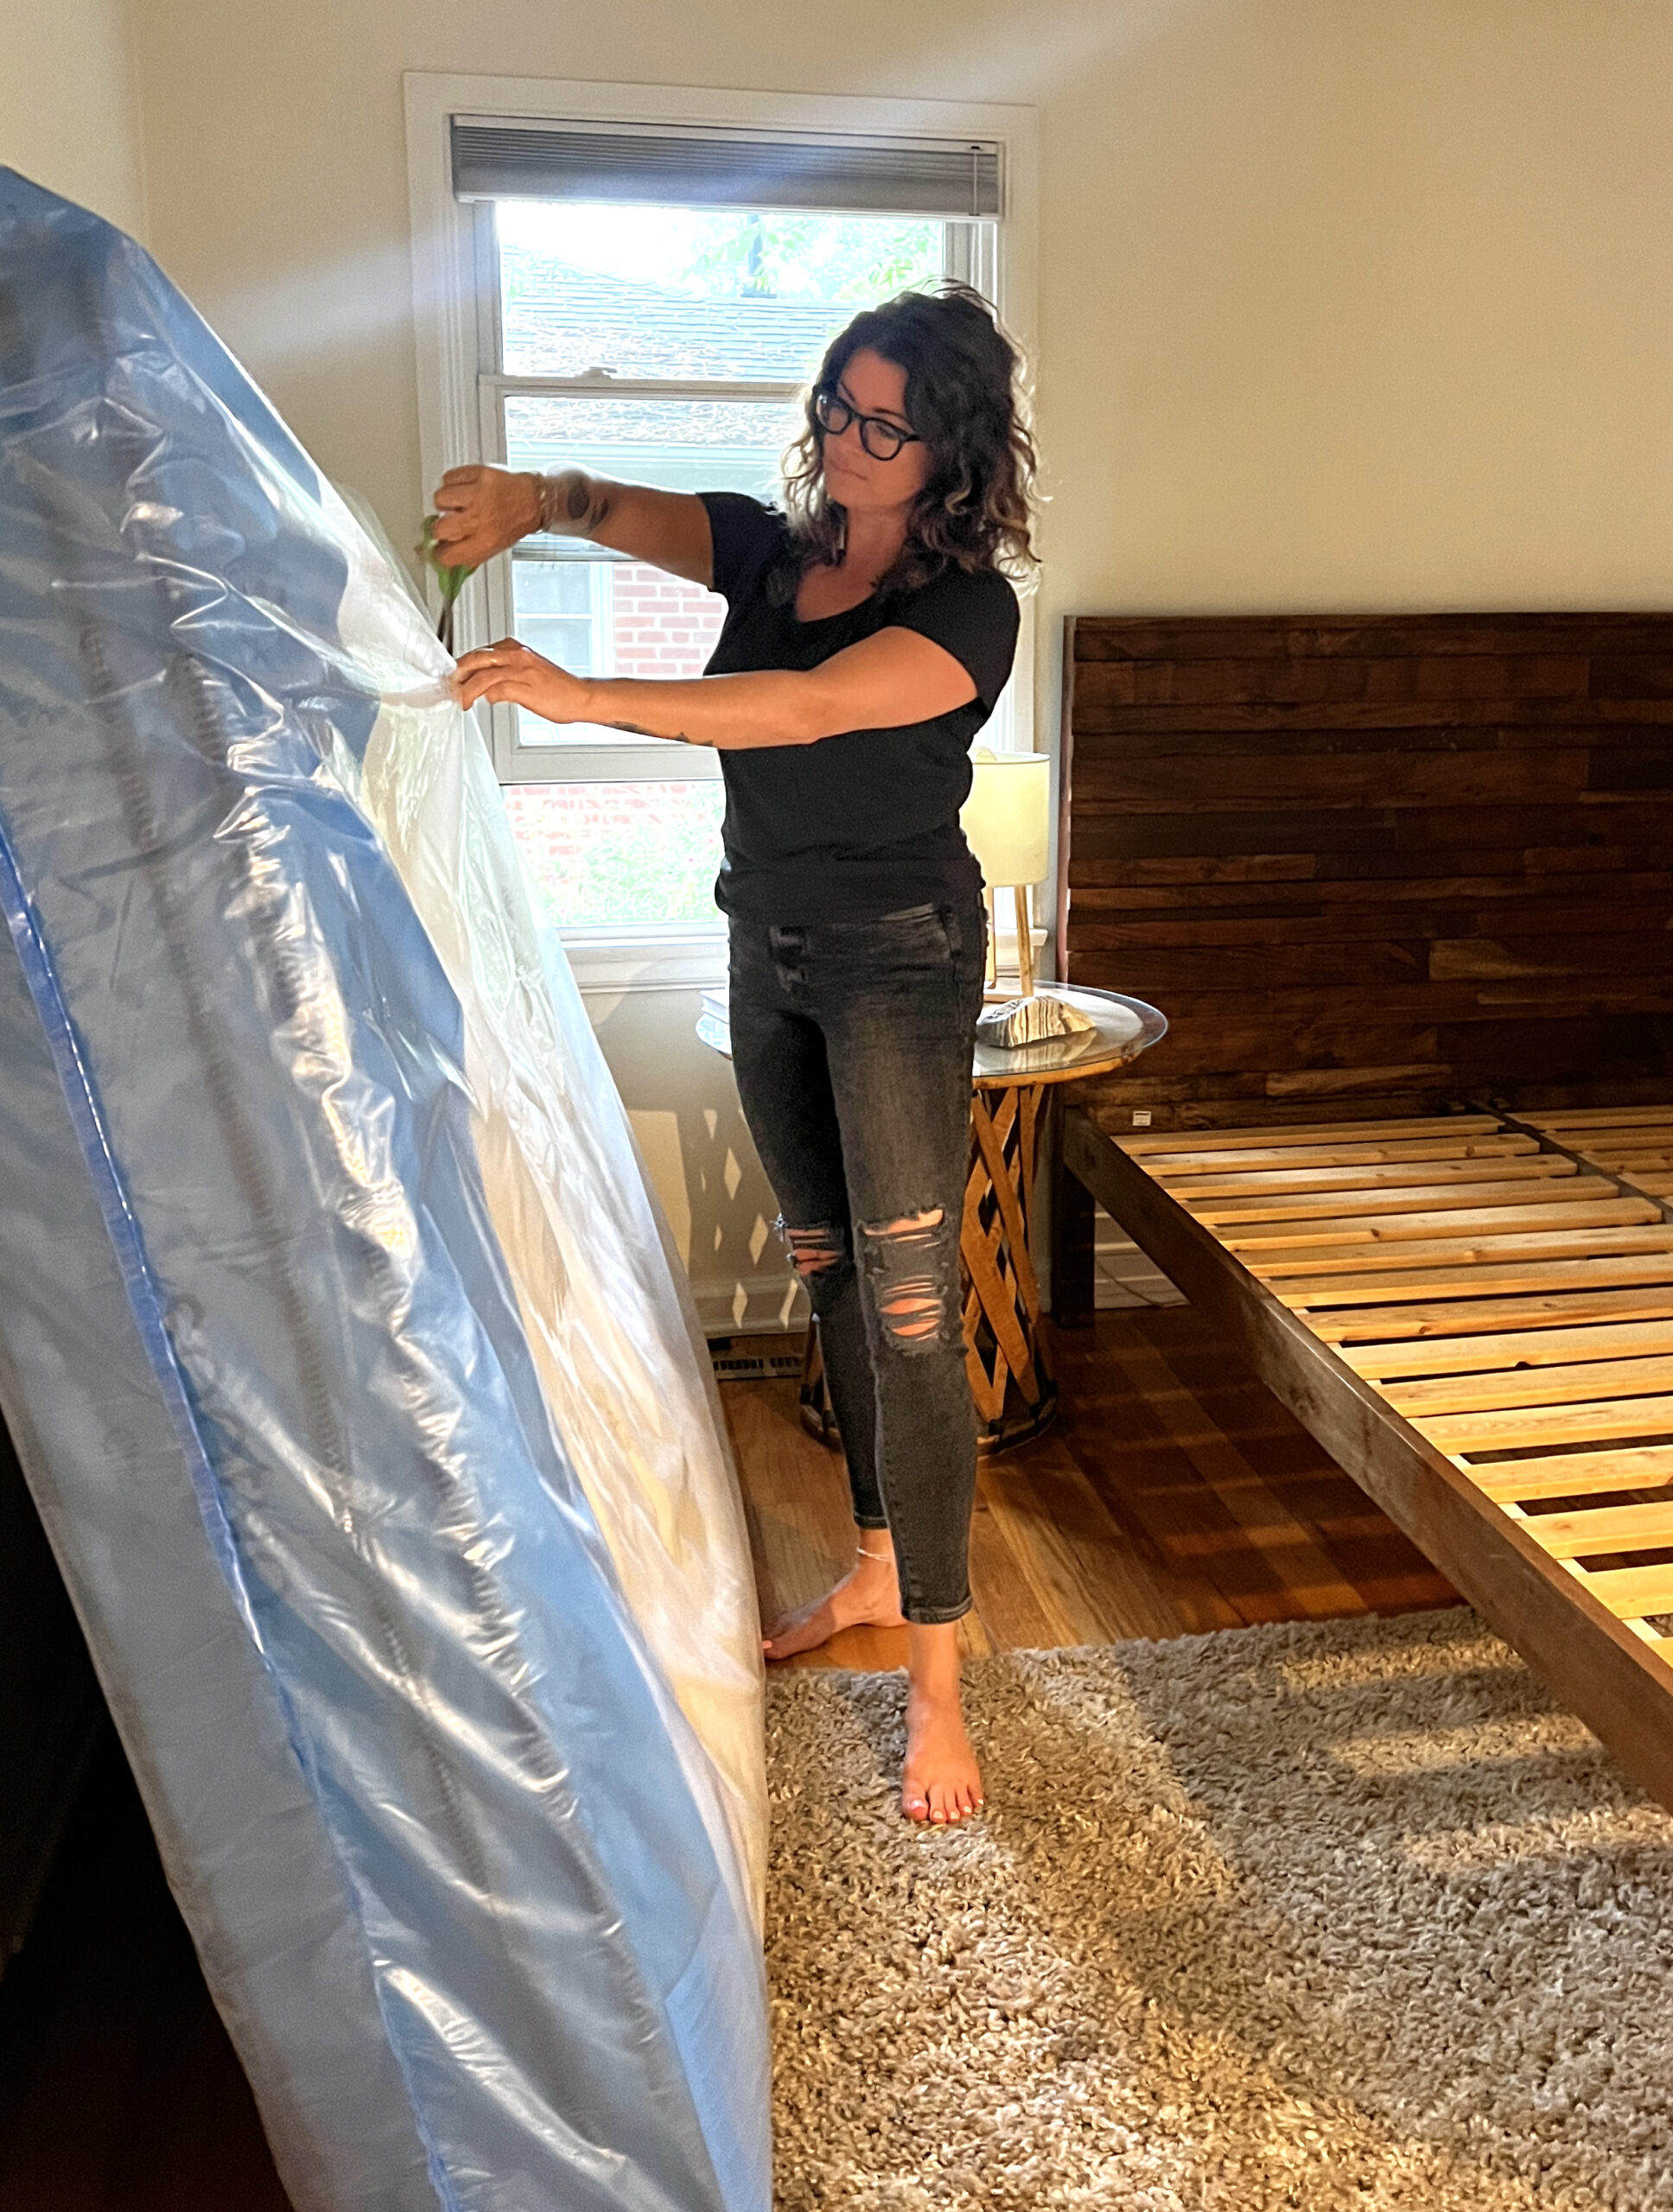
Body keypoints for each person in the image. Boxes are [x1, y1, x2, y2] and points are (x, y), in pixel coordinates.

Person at [436, 283, 1035, 1827]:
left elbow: (809, 710)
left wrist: (583, 697)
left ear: (948, 447)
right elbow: (639, 512)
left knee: (913, 1317)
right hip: (763, 950)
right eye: (836, 404)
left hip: (901, 965)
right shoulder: (785, 550)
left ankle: (943, 1690)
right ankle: (878, 1568)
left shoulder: (972, 609)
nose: (845, 439)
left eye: (883, 423)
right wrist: (534, 503)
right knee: (830, 1274)